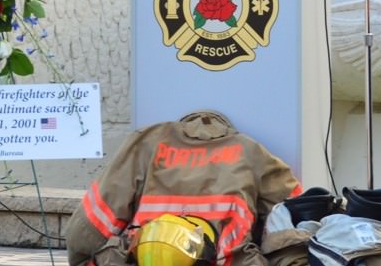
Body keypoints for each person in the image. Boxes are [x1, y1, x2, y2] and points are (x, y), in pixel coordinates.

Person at [64, 110, 302, 266]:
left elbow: (86, 230)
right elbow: (294, 217)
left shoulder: (147, 142)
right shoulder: (252, 152)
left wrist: (84, 260)